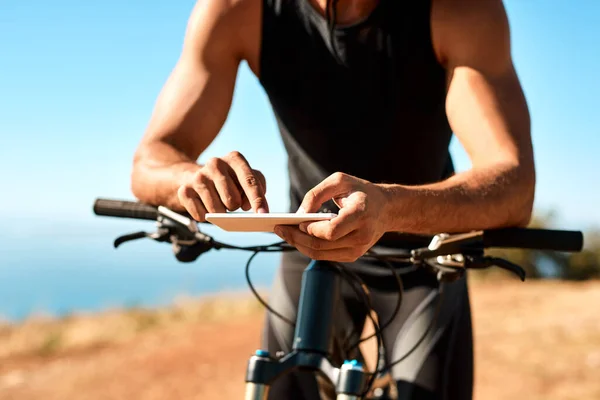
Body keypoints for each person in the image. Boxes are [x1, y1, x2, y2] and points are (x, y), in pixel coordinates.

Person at [130, 0, 535, 398]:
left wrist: (390, 208)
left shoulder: (461, 9)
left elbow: (514, 184)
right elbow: (150, 161)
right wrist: (190, 178)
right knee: (280, 383)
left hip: (425, 254)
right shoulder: (237, 9)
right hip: (308, 249)